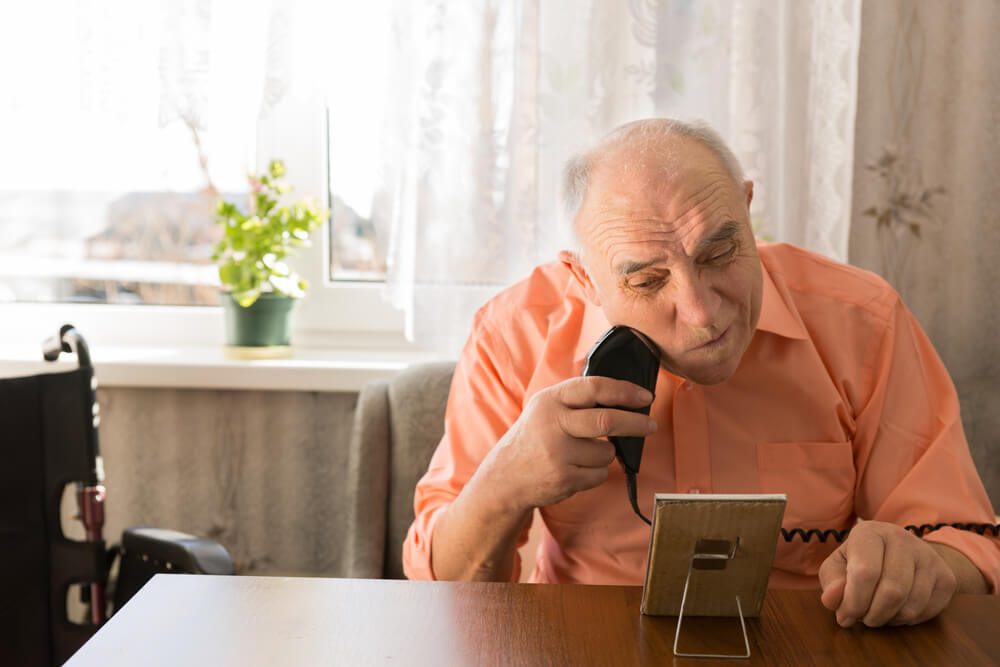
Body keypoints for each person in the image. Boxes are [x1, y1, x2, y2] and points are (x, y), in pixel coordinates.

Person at [402, 118, 1000, 627]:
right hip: (585, 644)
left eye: (718, 254)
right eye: (646, 280)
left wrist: (919, 566)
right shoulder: (513, 336)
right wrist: (505, 481)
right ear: (584, 278)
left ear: (745, 208)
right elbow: (440, 591)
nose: (702, 312)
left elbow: (969, 546)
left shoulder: (864, 323)